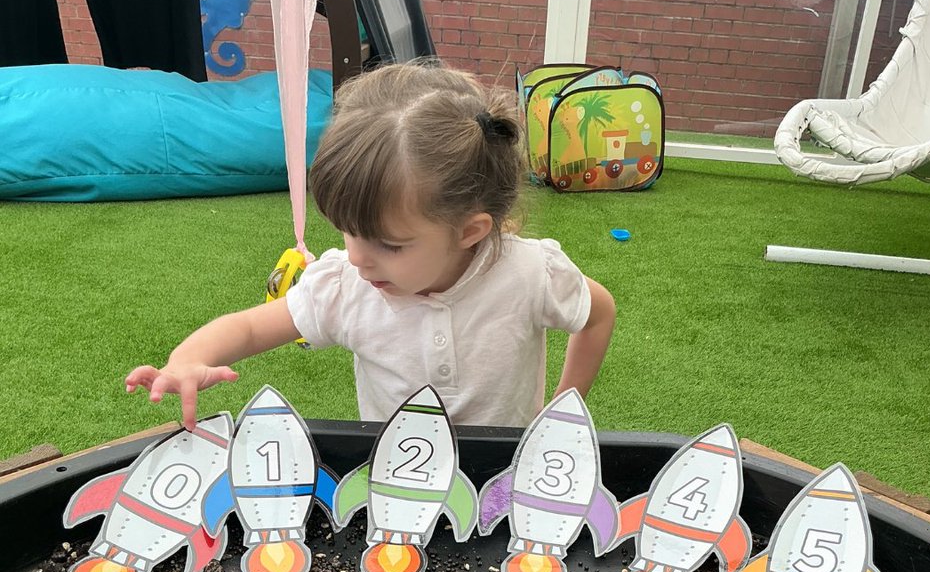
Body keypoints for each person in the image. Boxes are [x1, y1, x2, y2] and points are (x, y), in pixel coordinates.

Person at [126, 62, 616, 429]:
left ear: (470, 231)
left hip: (501, 477)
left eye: (389, 244)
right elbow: (251, 328)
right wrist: (189, 358)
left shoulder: (530, 274)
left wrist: (562, 410)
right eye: (349, 231)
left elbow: (598, 313)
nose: (358, 258)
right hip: (392, 479)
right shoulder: (345, 286)